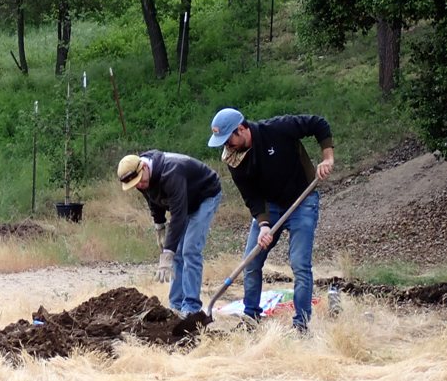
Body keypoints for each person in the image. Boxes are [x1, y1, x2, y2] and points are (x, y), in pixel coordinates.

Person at [207, 108, 334, 332]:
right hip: (270, 206)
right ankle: (251, 318)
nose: (227, 146)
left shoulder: (277, 128)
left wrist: (327, 158)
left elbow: (318, 122)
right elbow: (252, 197)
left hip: (302, 201)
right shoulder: (234, 159)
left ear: (242, 129)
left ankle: (301, 325)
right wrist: (264, 225)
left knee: (299, 264)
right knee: (251, 261)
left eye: (229, 140)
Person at [117, 151, 222, 317]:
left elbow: (178, 215)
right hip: (184, 200)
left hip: (204, 196)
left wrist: (167, 252)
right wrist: (159, 226)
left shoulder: (172, 172)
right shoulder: (141, 178)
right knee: (177, 254)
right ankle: (176, 306)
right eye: (136, 185)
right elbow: (153, 200)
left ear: (144, 167)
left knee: (189, 250)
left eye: (140, 181)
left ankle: (192, 308)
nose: (140, 186)